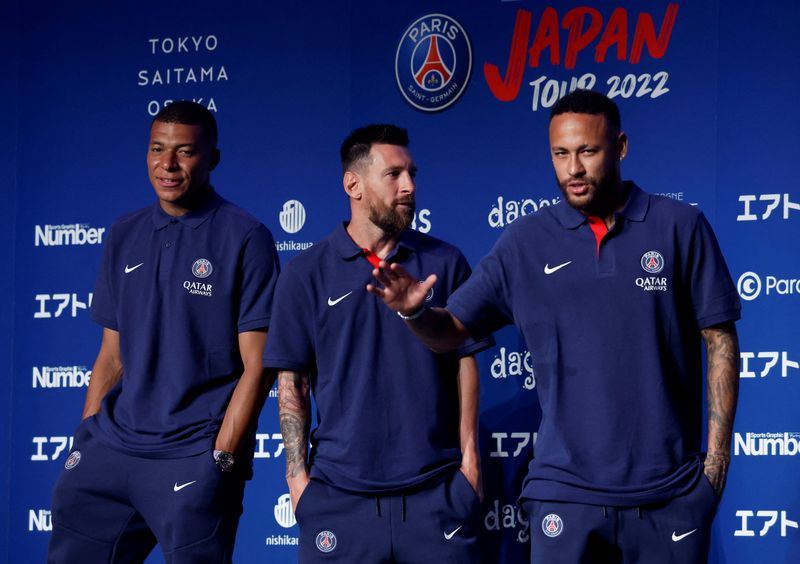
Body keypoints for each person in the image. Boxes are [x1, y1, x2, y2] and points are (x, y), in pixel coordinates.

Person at [369, 90, 741, 563]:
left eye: (588, 151)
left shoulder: (680, 226)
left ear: (621, 146)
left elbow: (721, 342)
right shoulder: (526, 241)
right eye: (561, 154)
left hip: (668, 495)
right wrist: (415, 312)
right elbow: (451, 332)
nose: (574, 169)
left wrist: (713, 471)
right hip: (564, 495)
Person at [48, 101, 280, 563]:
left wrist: (223, 457)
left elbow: (260, 364)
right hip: (111, 450)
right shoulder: (124, 233)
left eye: (184, 152)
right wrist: (87, 434)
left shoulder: (245, 236)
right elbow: (111, 356)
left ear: (211, 158)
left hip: (193, 454)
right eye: (157, 149)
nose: (167, 165)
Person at [263, 124, 492, 563]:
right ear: (354, 184)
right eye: (394, 175)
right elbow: (292, 381)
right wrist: (298, 482)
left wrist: (471, 466)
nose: (409, 186)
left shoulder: (444, 262)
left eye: (412, 173)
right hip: (338, 501)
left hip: (437, 496)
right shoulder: (304, 274)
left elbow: (466, 361)